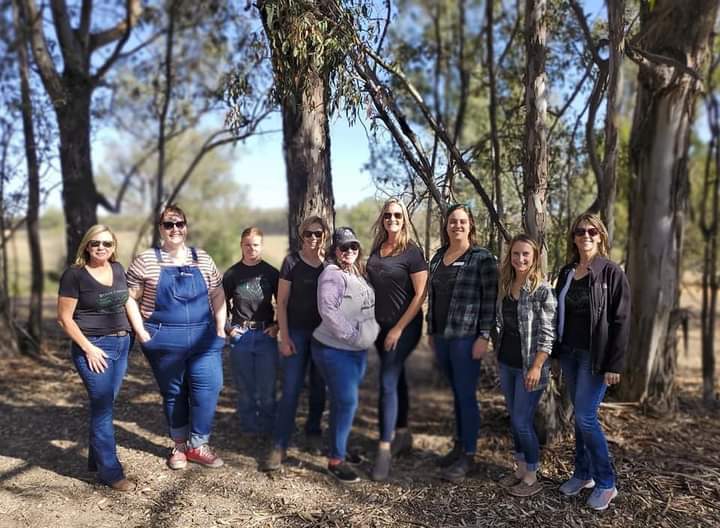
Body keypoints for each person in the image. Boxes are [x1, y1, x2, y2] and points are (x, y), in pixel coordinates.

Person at [126, 204, 226, 470]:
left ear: (186, 227)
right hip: (163, 338)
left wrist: (219, 326)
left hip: (204, 337)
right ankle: (180, 446)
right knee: (174, 392)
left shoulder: (201, 257)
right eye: (168, 225)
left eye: (179, 224)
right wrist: (141, 331)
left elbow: (217, 292)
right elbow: (128, 297)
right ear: (160, 229)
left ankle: (199, 444)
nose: (174, 229)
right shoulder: (146, 260)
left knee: (209, 388)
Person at [57, 224, 143, 491]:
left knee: (105, 405)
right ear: (86, 245)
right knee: (103, 407)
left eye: (107, 243)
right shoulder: (74, 275)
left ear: (114, 246)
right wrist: (88, 348)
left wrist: (140, 331)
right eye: (96, 244)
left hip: (122, 343)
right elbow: (64, 319)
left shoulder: (117, 269)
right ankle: (111, 472)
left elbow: (127, 300)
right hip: (93, 348)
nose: (101, 248)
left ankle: (97, 461)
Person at [555, 213, 630, 511]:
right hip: (570, 354)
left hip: (595, 359)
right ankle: (582, 474)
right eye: (579, 231)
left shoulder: (611, 272)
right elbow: (559, 314)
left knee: (586, 417)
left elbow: (622, 321)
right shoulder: (567, 272)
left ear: (600, 236)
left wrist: (616, 364)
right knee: (579, 418)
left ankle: (606, 482)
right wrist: (557, 354)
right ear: (573, 237)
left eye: (592, 231)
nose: (585, 235)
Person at [427, 204, 498, 481]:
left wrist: (484, 336)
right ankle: (458, 446)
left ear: (471, 226)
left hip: (466, 338)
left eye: (462, 221)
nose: (457, 225)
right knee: (456, 393)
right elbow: (433, 298)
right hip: (442, 337)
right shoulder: (437, 257)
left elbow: (490, 302)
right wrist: (431, 331)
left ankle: (469, 455)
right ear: (446, 226)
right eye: (452, 221)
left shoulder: (482, 258)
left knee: (466, 395)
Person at [312, 227, 380, 483]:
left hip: (354, 351)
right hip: (334, 350)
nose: (349, 251)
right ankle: (335, 461)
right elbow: (328, 310)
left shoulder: (354, 271)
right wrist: (353, 335)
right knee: (347, 402)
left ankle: (337, 446)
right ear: (334, 250)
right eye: (343, 247)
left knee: (343, 402)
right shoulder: (331, 275)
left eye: (353, 247)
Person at [366, 198, 427, 481]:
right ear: (383, 218)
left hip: (405, 328)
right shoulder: (377, 250)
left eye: (398, 215)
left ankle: (384, 449)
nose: (392, 219)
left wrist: (398, 329)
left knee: (387, 380)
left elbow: (420, 295)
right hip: (380, 327)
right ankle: (403, 432)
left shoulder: (412, 253)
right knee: (397, 374)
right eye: (388, 214)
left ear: (405, 219)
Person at [263, 217, 328, 471]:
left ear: (324, 235)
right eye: (309, 233)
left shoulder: (329, 264)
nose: (313, 238)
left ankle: (314, 434)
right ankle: (279, 445)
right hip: (297, 335)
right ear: (302, 235)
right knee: (290, 389)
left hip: (323, 337)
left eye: (318, 233)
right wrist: (285, 336)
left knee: (319, 389)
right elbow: (281, 302)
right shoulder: (291, 262)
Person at [494, 234, 556, 497]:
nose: (520, 259)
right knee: (515, 418)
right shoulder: (506, 285)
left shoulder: (542, 290)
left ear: (534, 258)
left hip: (530, 368)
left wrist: (536, 367)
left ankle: (531, 474)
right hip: (507, 364)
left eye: (526, 254)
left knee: (522, 420)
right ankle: (519, 469)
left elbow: (548, 333)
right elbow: (501, 324)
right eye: (516, 254)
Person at [223, 227, 280, 436]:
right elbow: (220, 303)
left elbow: (284, 302)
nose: (251, 248)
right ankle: (249, 429)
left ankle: (268, 430)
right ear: (241, 245)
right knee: (245, 389)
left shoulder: (272, 273)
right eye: (247, 244)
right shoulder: (232, 273)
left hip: (266, 335)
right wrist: (228, 327)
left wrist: (278, 326)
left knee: (267, 390)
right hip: (241, 337)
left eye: (255, 244)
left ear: (261, 246)